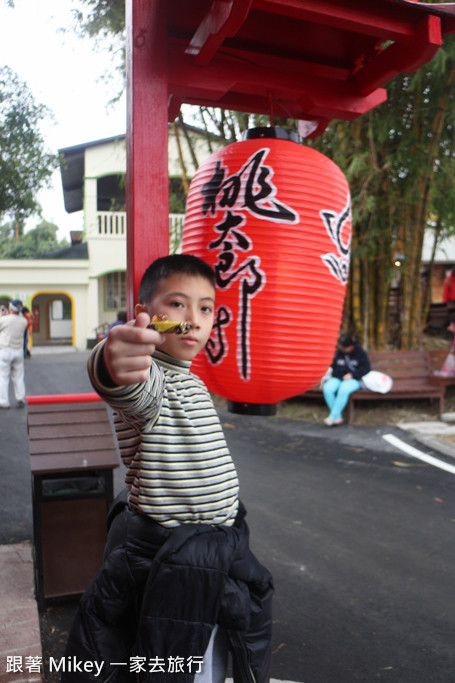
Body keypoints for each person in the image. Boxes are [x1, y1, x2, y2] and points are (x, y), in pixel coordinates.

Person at [63, 254, 273, 683]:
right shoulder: (154, 378)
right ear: (146, 314)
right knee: (177, 664)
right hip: (174, 560)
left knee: (210, 651)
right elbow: (123, 379)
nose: (193, 319)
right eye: (177, 305)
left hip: (213, 552)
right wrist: (111, 358)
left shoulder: (190, 379)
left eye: (205, 307)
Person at [323, 333, 370, 426]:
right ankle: (338, 417)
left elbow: (366, 368)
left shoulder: (360, 353)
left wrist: (352, 375)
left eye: (344, 348)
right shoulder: (339, 353)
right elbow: (334, 366)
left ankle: (332, 417)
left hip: (355, 379)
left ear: (351, 346)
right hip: (338, 378)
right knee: (327, 389)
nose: (342, 350)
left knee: (343, 389)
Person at [0, 299, 28, 409]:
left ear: (11, 308)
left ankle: (4, 401)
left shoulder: (4, 320)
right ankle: (20, 398)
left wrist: (2, 315)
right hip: (18, 351)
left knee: (3, 376)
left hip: (5, 350)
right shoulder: (24, 321)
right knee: (18, 376)